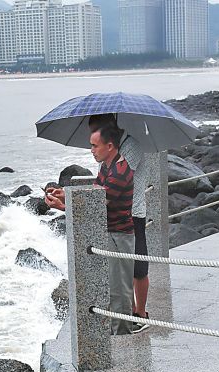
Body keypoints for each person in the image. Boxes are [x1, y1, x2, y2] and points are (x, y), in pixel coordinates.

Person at [45, 125, 137, 335]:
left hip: (118, 236)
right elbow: (95, 192)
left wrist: (62, 206)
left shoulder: (119, 174)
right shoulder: (107, 166)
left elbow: (97, 205)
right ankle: (116, 330)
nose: (92, 150)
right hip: (109, 232)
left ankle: (122, 335)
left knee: (119, 289)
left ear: (110, 146)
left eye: (95, 146)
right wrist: (63, 193)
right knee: (112, 286)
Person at [88, 115, 150, 333]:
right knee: (121, 270)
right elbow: (103, 183)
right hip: (117, 213)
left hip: (134, 211)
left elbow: (116, 182)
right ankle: (126, 313)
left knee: (138, 266)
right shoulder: (111, 155)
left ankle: (139, 313)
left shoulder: (130, 147)